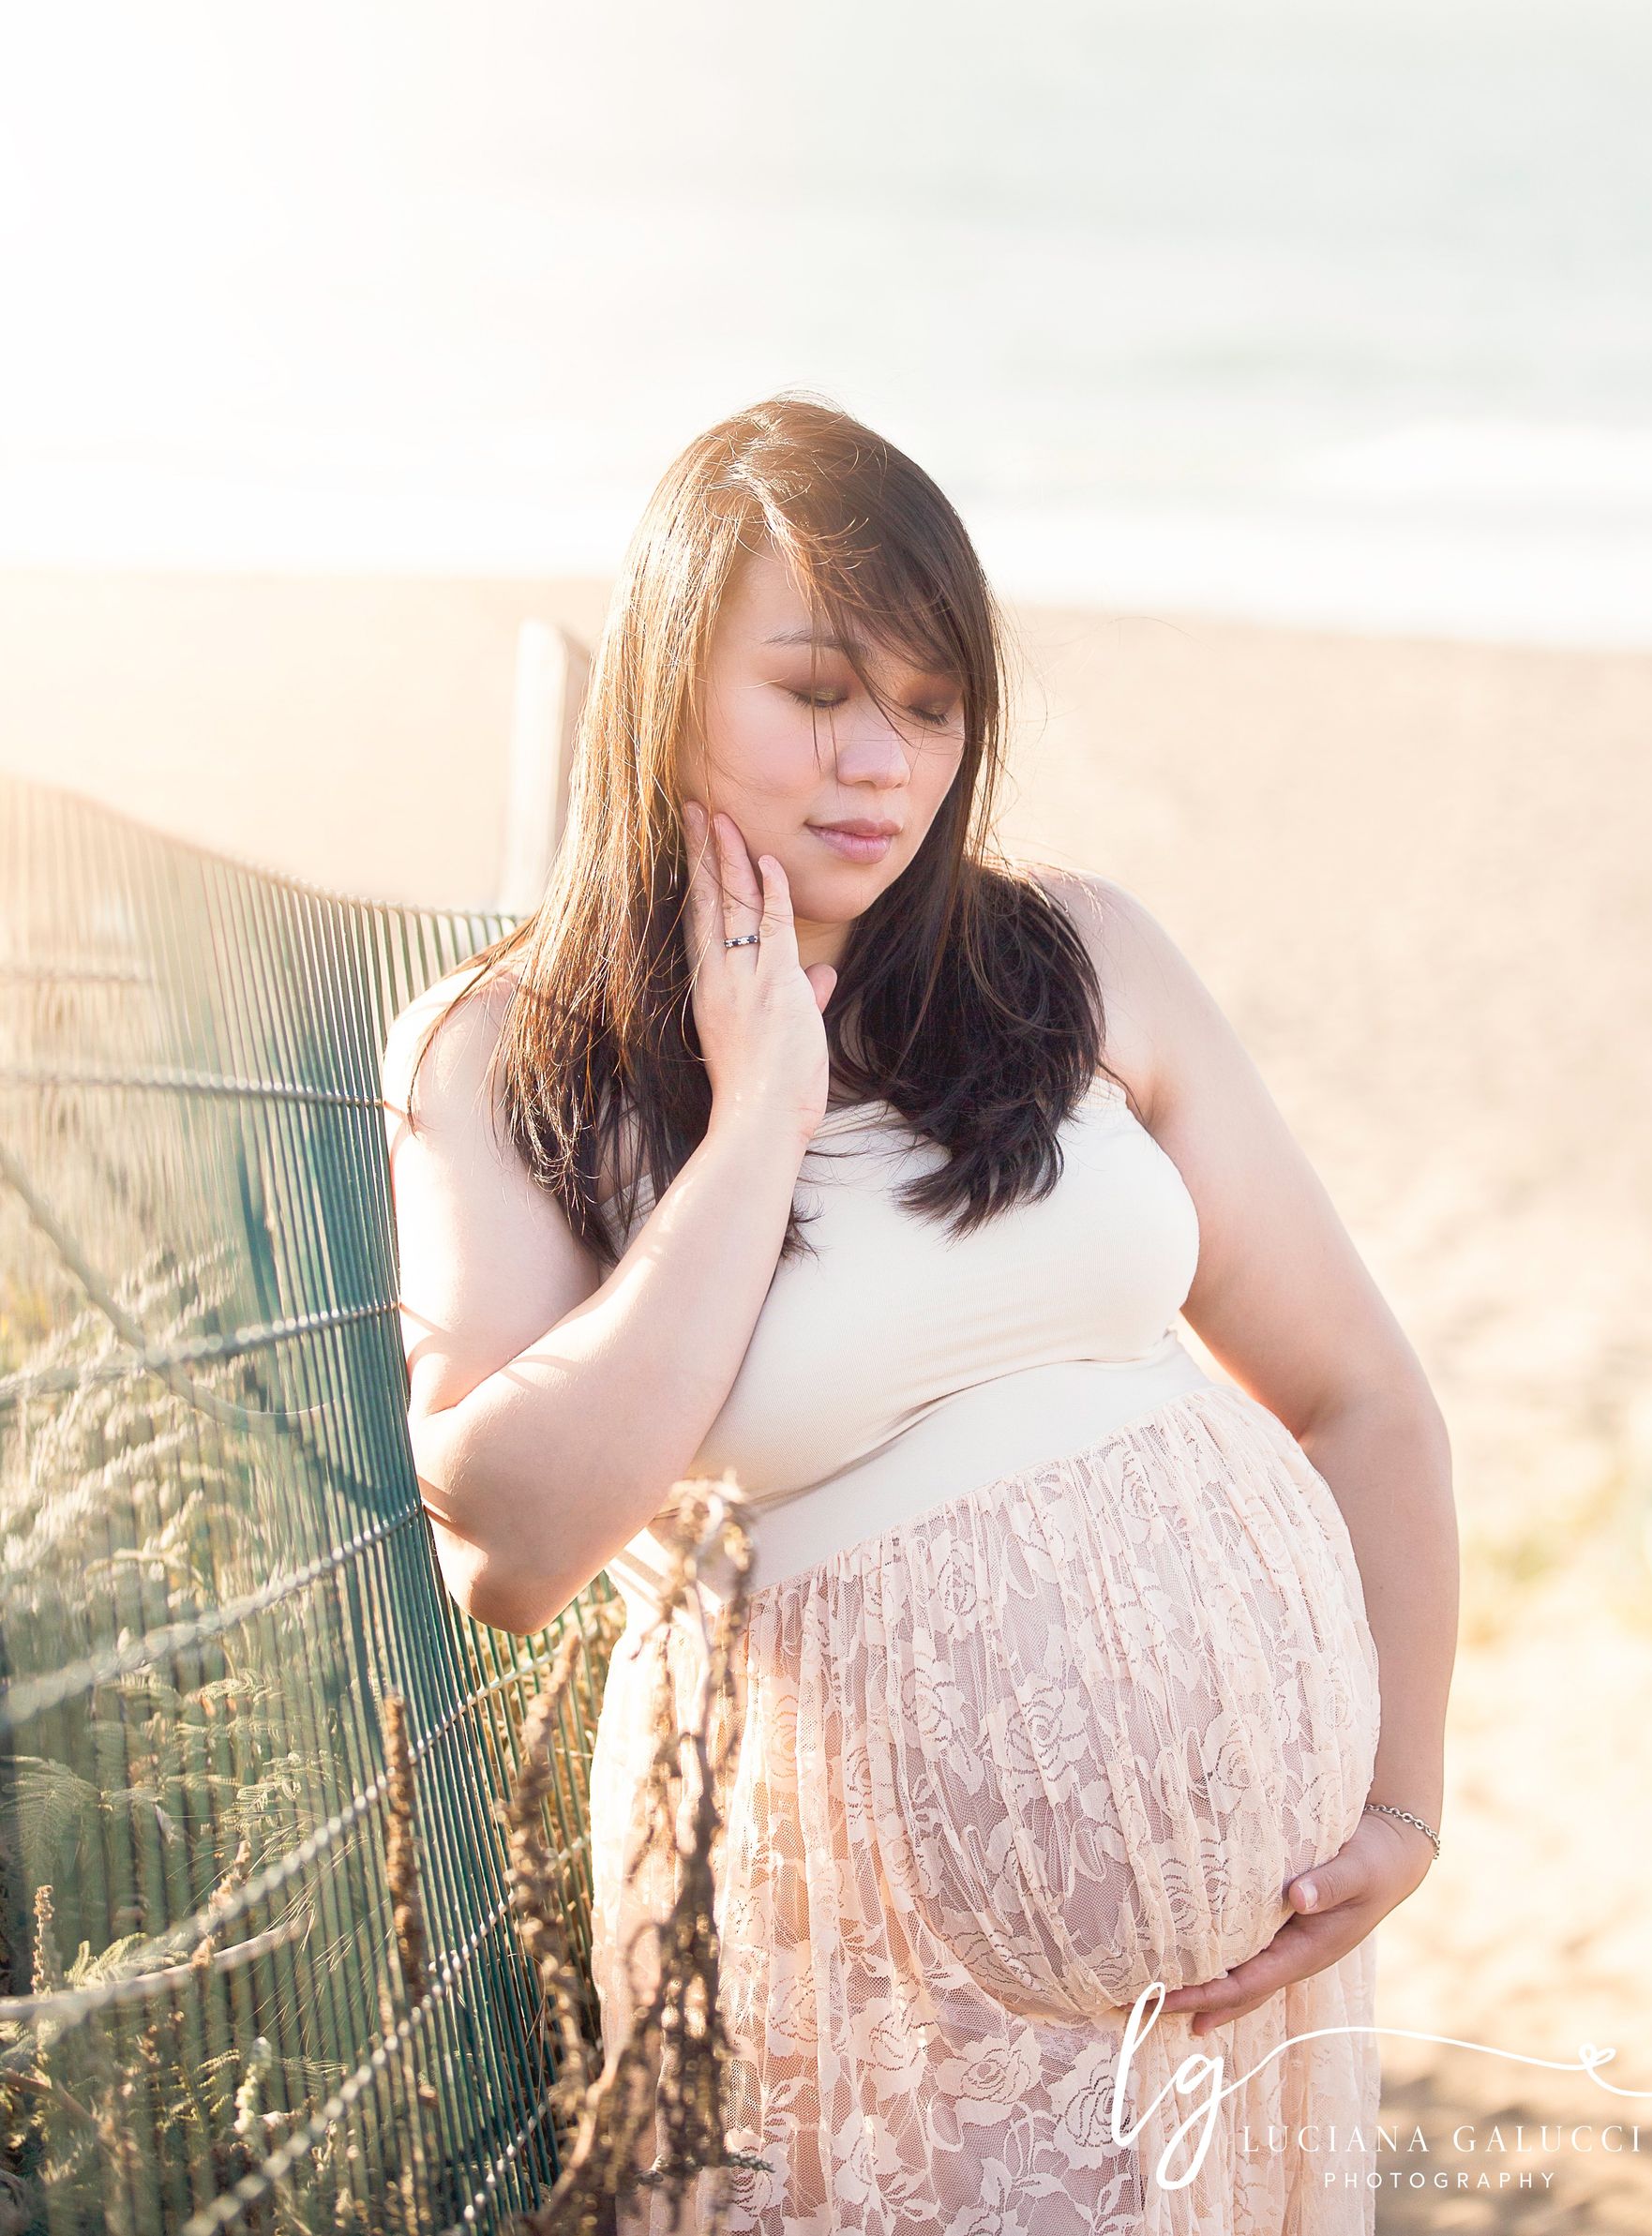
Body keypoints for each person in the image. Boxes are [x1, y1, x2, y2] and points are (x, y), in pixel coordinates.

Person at [382, 392, 1459, 2234]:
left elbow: (1365, 1394)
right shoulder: (509, 1052)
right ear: (666, 684)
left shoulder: (1078, 955)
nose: (880, 761)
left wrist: (1402, 1802)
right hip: (857, 1978)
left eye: (932, 705)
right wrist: (761, 1115)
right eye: (817, 690)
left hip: (1240, 1991)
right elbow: (512, 1539)